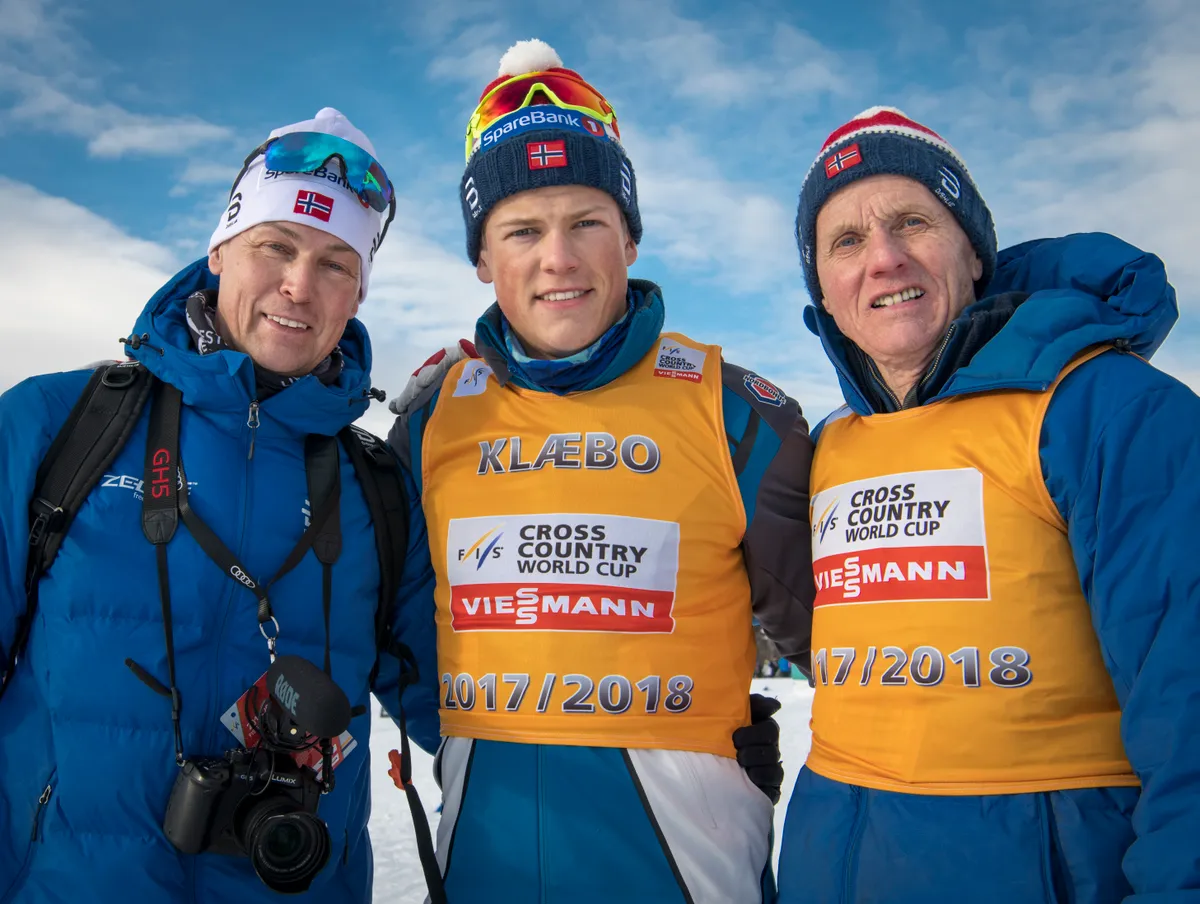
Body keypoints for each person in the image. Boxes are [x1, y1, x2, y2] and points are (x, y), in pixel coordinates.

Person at [388, 40, 815, 903]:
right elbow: (390, 625)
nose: (559, 258)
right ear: (482, 259)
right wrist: (481, 737)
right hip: (486, 861)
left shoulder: (738, 412)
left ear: (628, 235)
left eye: (586, 221)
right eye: (521, 230)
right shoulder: (431, 420)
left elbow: (837, 642)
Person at [0, 108, 440, 903]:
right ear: (218, 253)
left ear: (359, 293)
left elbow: (475, 708)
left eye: (337, 263)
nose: (299, 285)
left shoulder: (378, 489)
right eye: (275, 246)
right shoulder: (55, 427)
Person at [775, 106, 1200, 902]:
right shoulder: (829, 448)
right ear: (823, 293)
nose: (885, 259)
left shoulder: (1104, 409)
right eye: (847, 241)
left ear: (974, 254)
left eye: (913, 223)